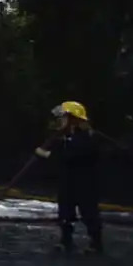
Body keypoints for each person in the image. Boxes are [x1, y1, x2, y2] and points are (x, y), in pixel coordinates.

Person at [36, 101, 103, 254]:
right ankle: (66, 241)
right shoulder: (65, 137)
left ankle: (96, 243)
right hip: (67, 182)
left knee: (89, 213)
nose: (59, 121)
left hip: (85, 183)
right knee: (65, 213)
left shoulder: (87, 137)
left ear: (73, 119)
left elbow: (70, 156)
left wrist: (47, 155)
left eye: (63, 117)